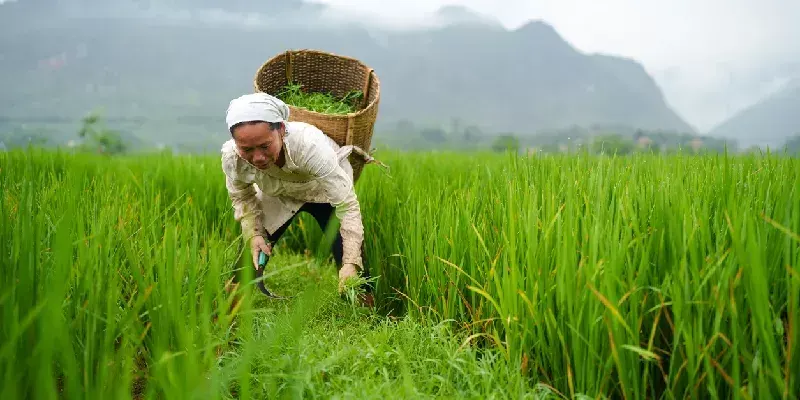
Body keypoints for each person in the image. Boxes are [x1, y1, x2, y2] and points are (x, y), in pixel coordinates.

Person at [220, 92, 376, 307]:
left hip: (324, 193)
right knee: (250, 256)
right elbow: (242, 195)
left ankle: (365, 314)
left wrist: (350, 262)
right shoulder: (232, 158)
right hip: (280, 194)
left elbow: (347, 205)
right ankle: (227, 312)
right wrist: (253, 233)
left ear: (282, 130)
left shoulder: (310, 147)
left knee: (351, 260)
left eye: (265, 146)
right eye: (247, 149)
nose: (257, 157)